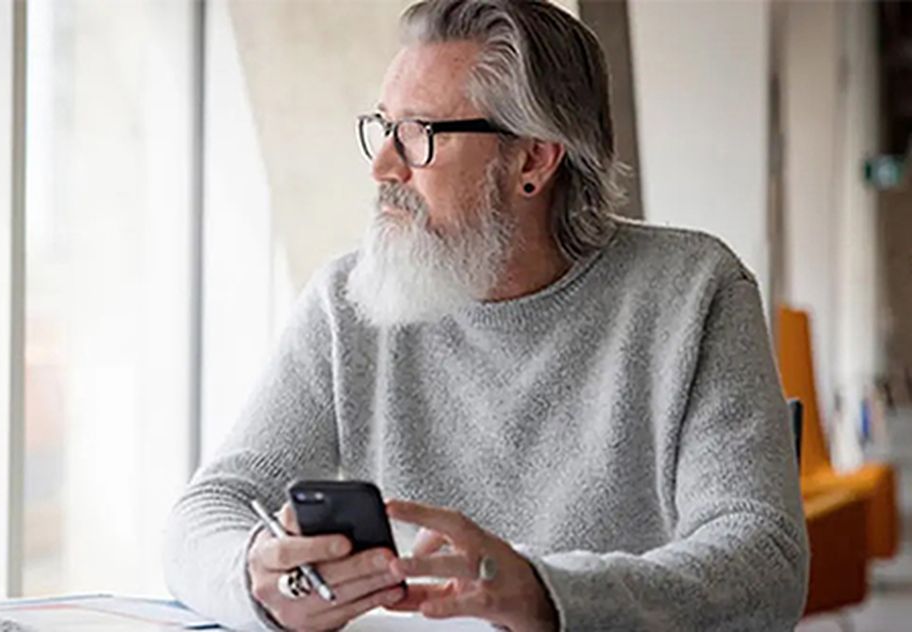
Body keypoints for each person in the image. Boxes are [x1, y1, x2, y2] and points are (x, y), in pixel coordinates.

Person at [164, 0, 808, 630]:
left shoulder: (695, 292)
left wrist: (544, 597)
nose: (382, 165)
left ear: (533, 159)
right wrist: (257, 576)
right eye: (384, 126)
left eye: (419, 134)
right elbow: (204, 514)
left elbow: (764, 562)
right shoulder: (349, 300)